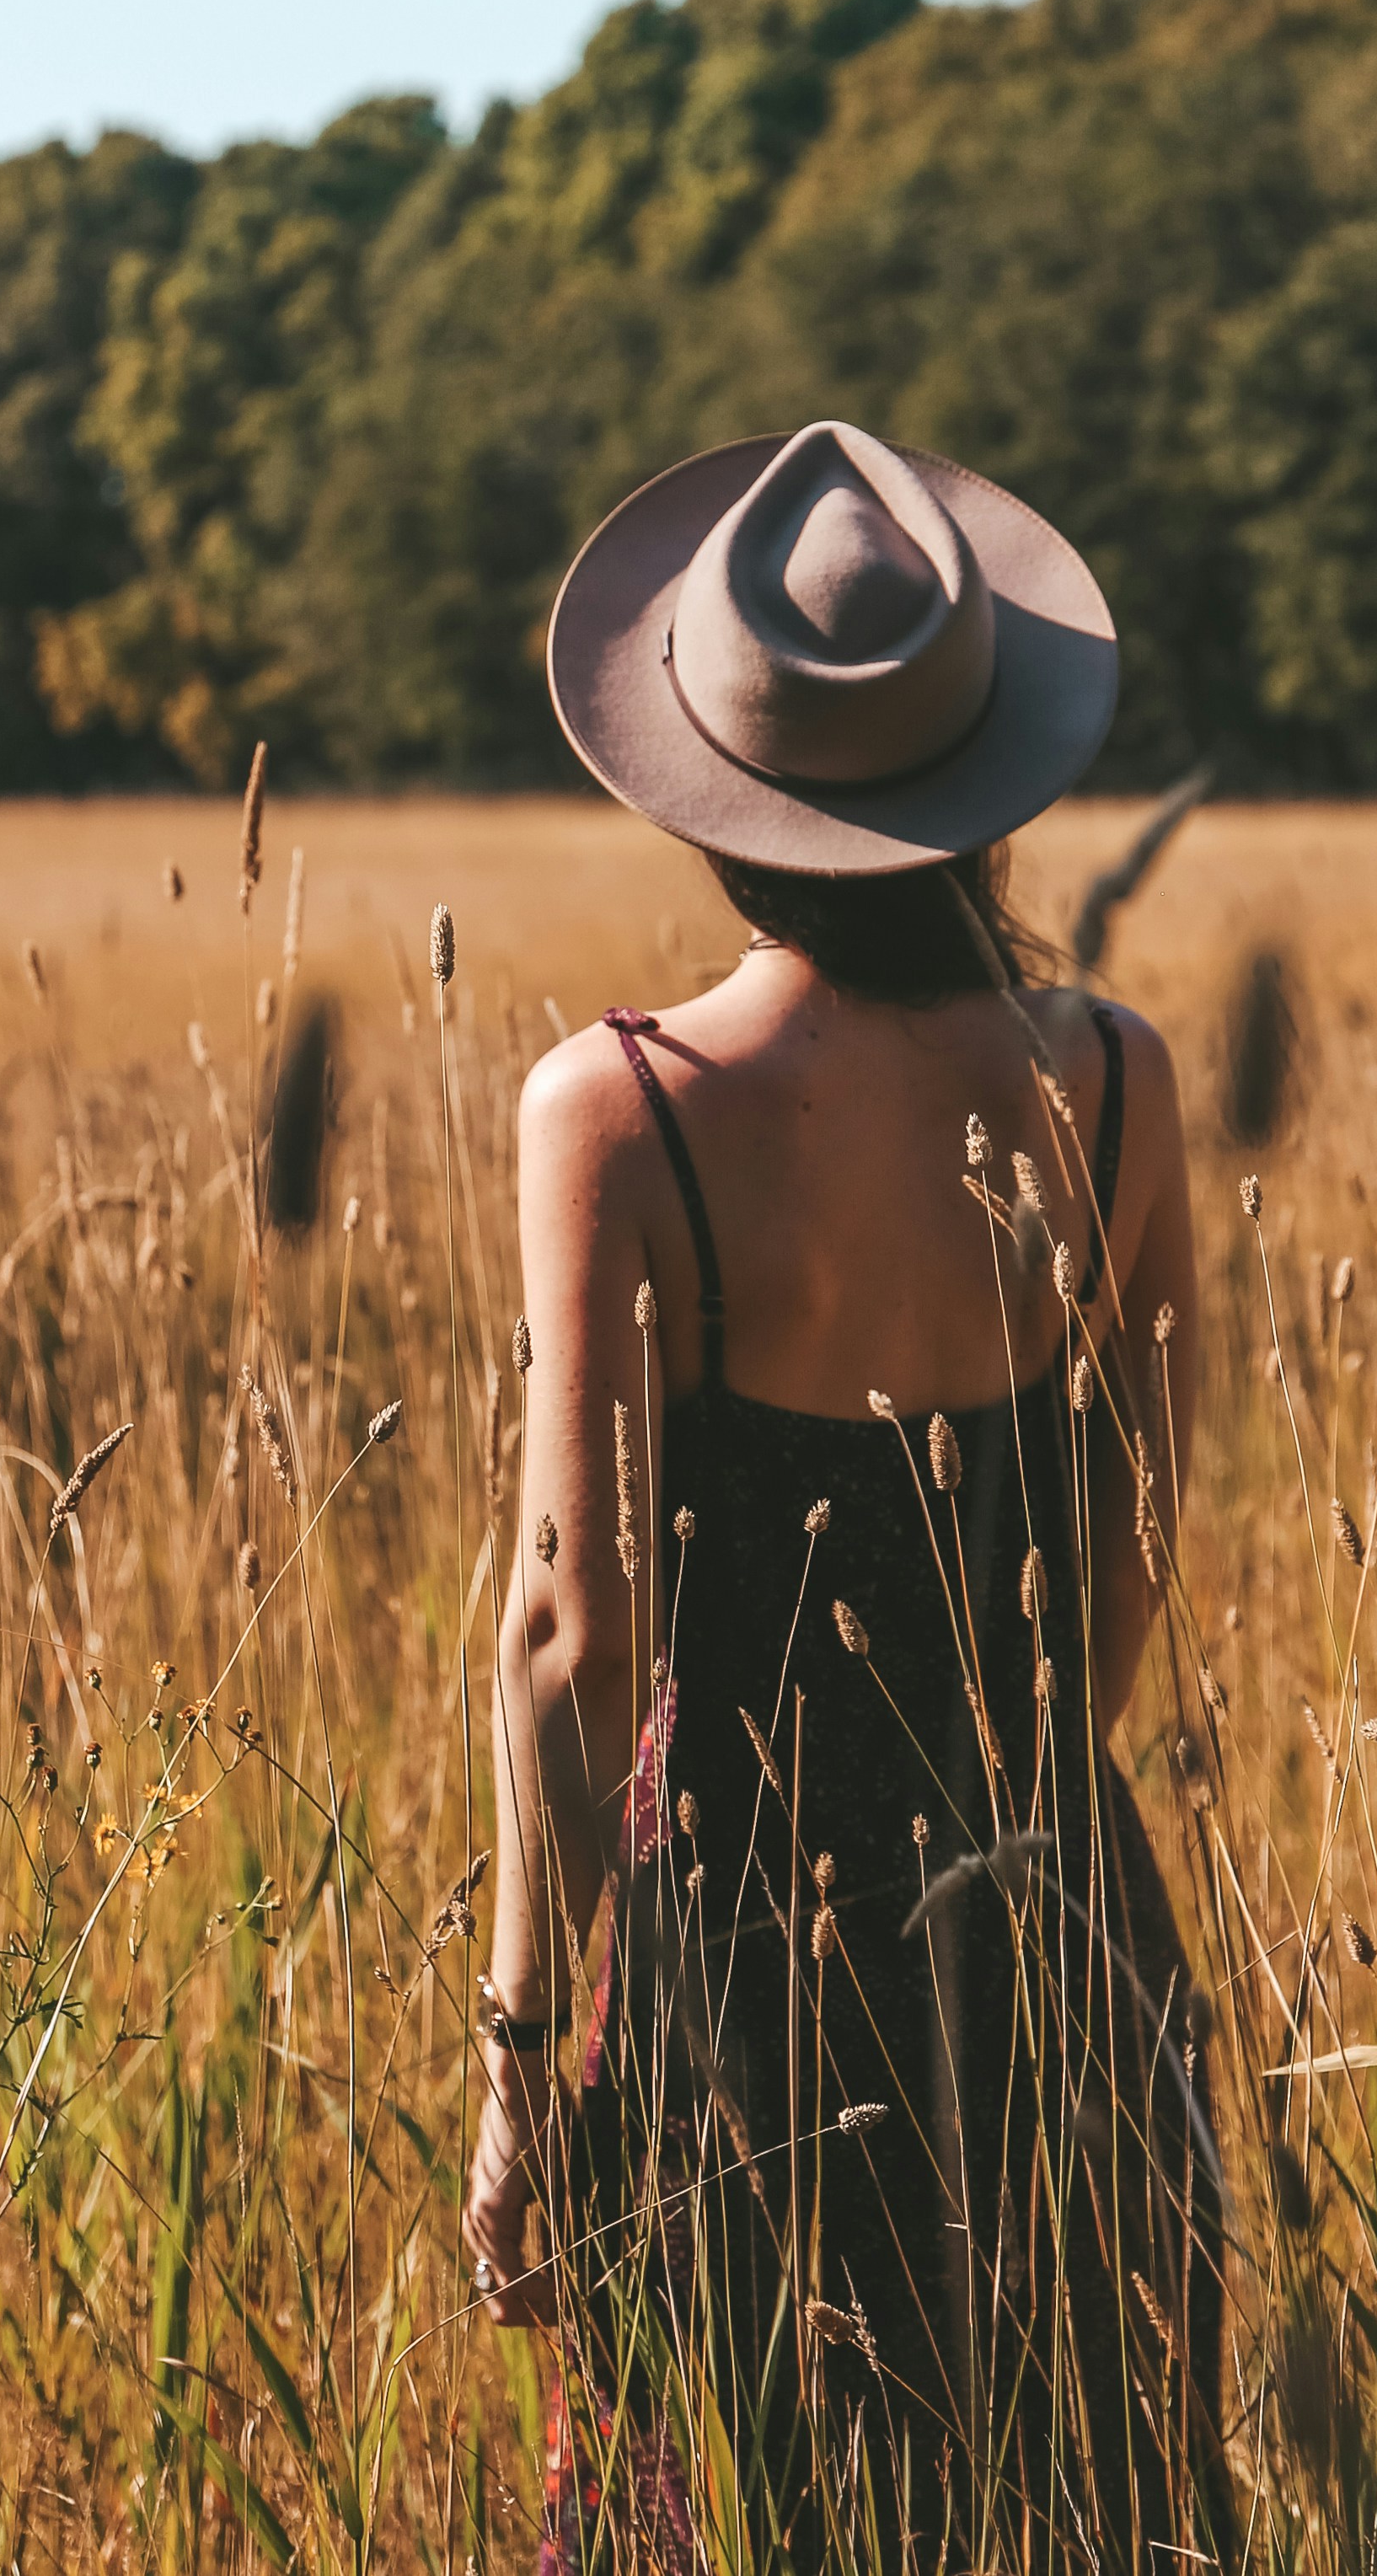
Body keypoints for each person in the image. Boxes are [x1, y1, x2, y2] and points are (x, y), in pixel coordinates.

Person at [462, 421, 1227, 2569]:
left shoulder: (617, 1108)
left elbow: (566, 1636)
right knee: (1075, 2485)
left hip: (738, 1951)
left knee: (748, 2487)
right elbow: (1127, 1539)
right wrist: (1022, 1769)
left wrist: (525, 2051)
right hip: (1056, 1898)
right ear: (990, 767)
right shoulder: (1111, 1077)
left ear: (707, 781)